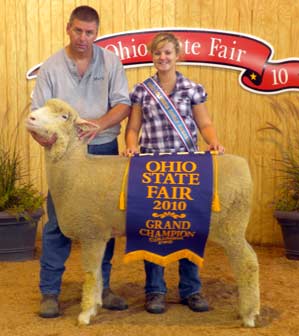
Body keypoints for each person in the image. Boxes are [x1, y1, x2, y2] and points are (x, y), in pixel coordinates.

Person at [30, 6, 131, 318]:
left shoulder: (110, 61)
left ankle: (102, 287)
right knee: (59, 222)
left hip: (103, 149)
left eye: (89, 32)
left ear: (96, 33)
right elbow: (36, 118)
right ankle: (50, 291)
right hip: (67, 158)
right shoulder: (51, 67)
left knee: (106, 222)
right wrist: (46, 141)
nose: (83, 37)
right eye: (78, 31)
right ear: (68, 28)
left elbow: (123, 104)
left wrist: (99, 124)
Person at [125, 32, 224, 314]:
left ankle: (191, 290)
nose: (163, 57)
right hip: (151, 168)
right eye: (158, 53)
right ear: (152, 56)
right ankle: (155, 290)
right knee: (154, 227)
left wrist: (213, 141)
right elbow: (132, 129)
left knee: (188, 224)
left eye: (168, 52)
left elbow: (204, 123)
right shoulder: (142, 91)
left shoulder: (192, 88)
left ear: (178, 55)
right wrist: (131, 147)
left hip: (187, 168)